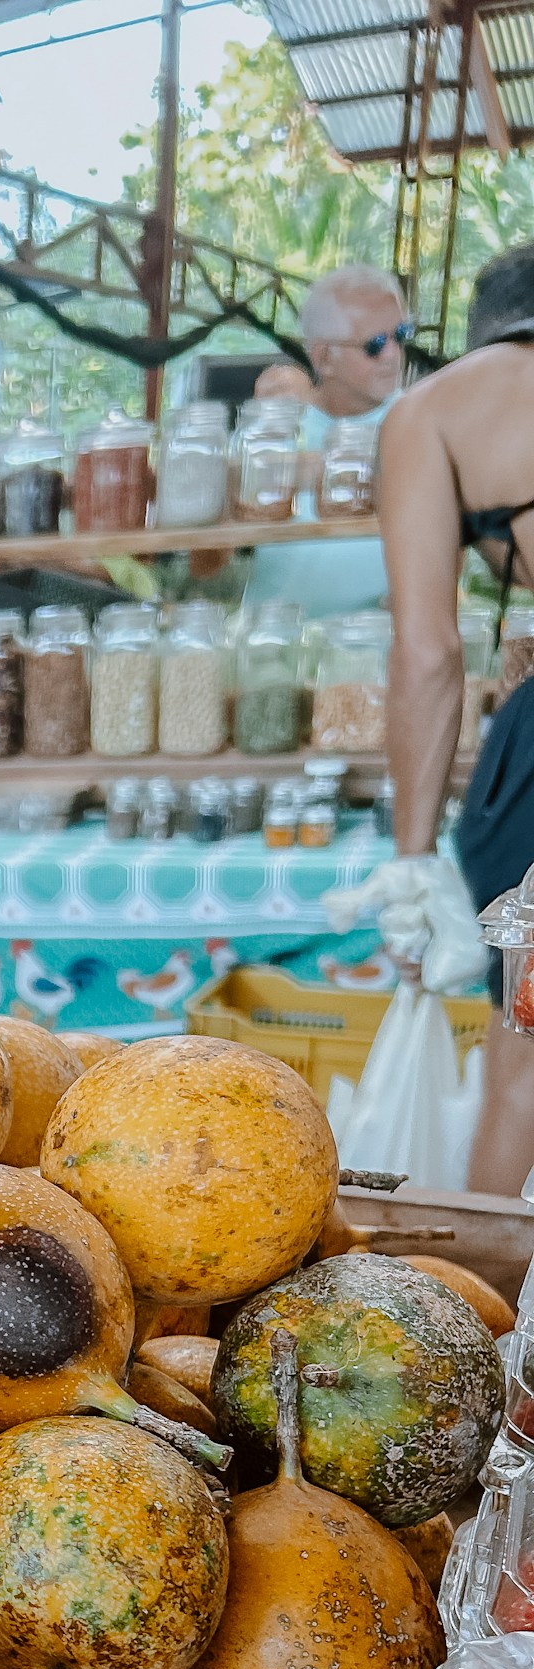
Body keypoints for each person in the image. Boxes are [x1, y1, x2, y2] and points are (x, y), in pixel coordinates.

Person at [380, 242, 534, 1193]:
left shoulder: (436, 411)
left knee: (524, 1058)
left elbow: (429, 655)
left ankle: (478, 1314)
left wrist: (410, 862)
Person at [246, 265, 415, 620]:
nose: (394, 354)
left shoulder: (420, 423)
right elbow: (207, 563)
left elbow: (453, 541)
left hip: (377, 645)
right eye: (375, 345)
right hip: (275, 642)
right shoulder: (276, 424)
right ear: (324, 357)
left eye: (401, 334)